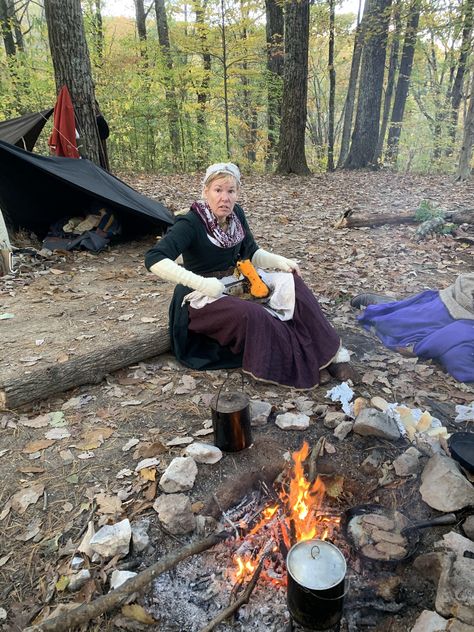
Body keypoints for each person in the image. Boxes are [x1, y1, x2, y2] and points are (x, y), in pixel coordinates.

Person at [145, 162, 357, 389]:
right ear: (206, 191)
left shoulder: (236, 215)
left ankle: (332, 356)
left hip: (236, 281)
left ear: (237, 193)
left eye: (230, 191)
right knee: (255, 314)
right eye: (218, 190)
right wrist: (201, 283)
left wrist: (279, 261)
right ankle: (299, 364)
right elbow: (154, 259)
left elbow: (251, 252)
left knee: (293, 283)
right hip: (200, 294)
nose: (224, 198)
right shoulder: (191, 222)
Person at [353, 272, 474, 383]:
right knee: (394, 323)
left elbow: (457, 357)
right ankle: (391, 306)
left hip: (455, 316)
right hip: (455, 305)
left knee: (404, 322)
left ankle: (393, 306)